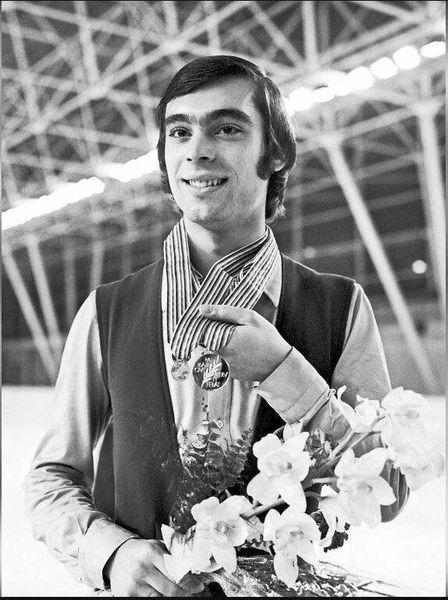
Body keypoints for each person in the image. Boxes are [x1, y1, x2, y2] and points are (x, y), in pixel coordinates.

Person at [24, 55, 408, 597]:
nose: (197, 150)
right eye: (179, 131)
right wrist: (108, 553)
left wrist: (284, 373)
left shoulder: (340, 306)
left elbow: (387, 490)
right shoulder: (107, 311)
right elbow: (50, 476)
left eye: (227, 129)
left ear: (276, 153)